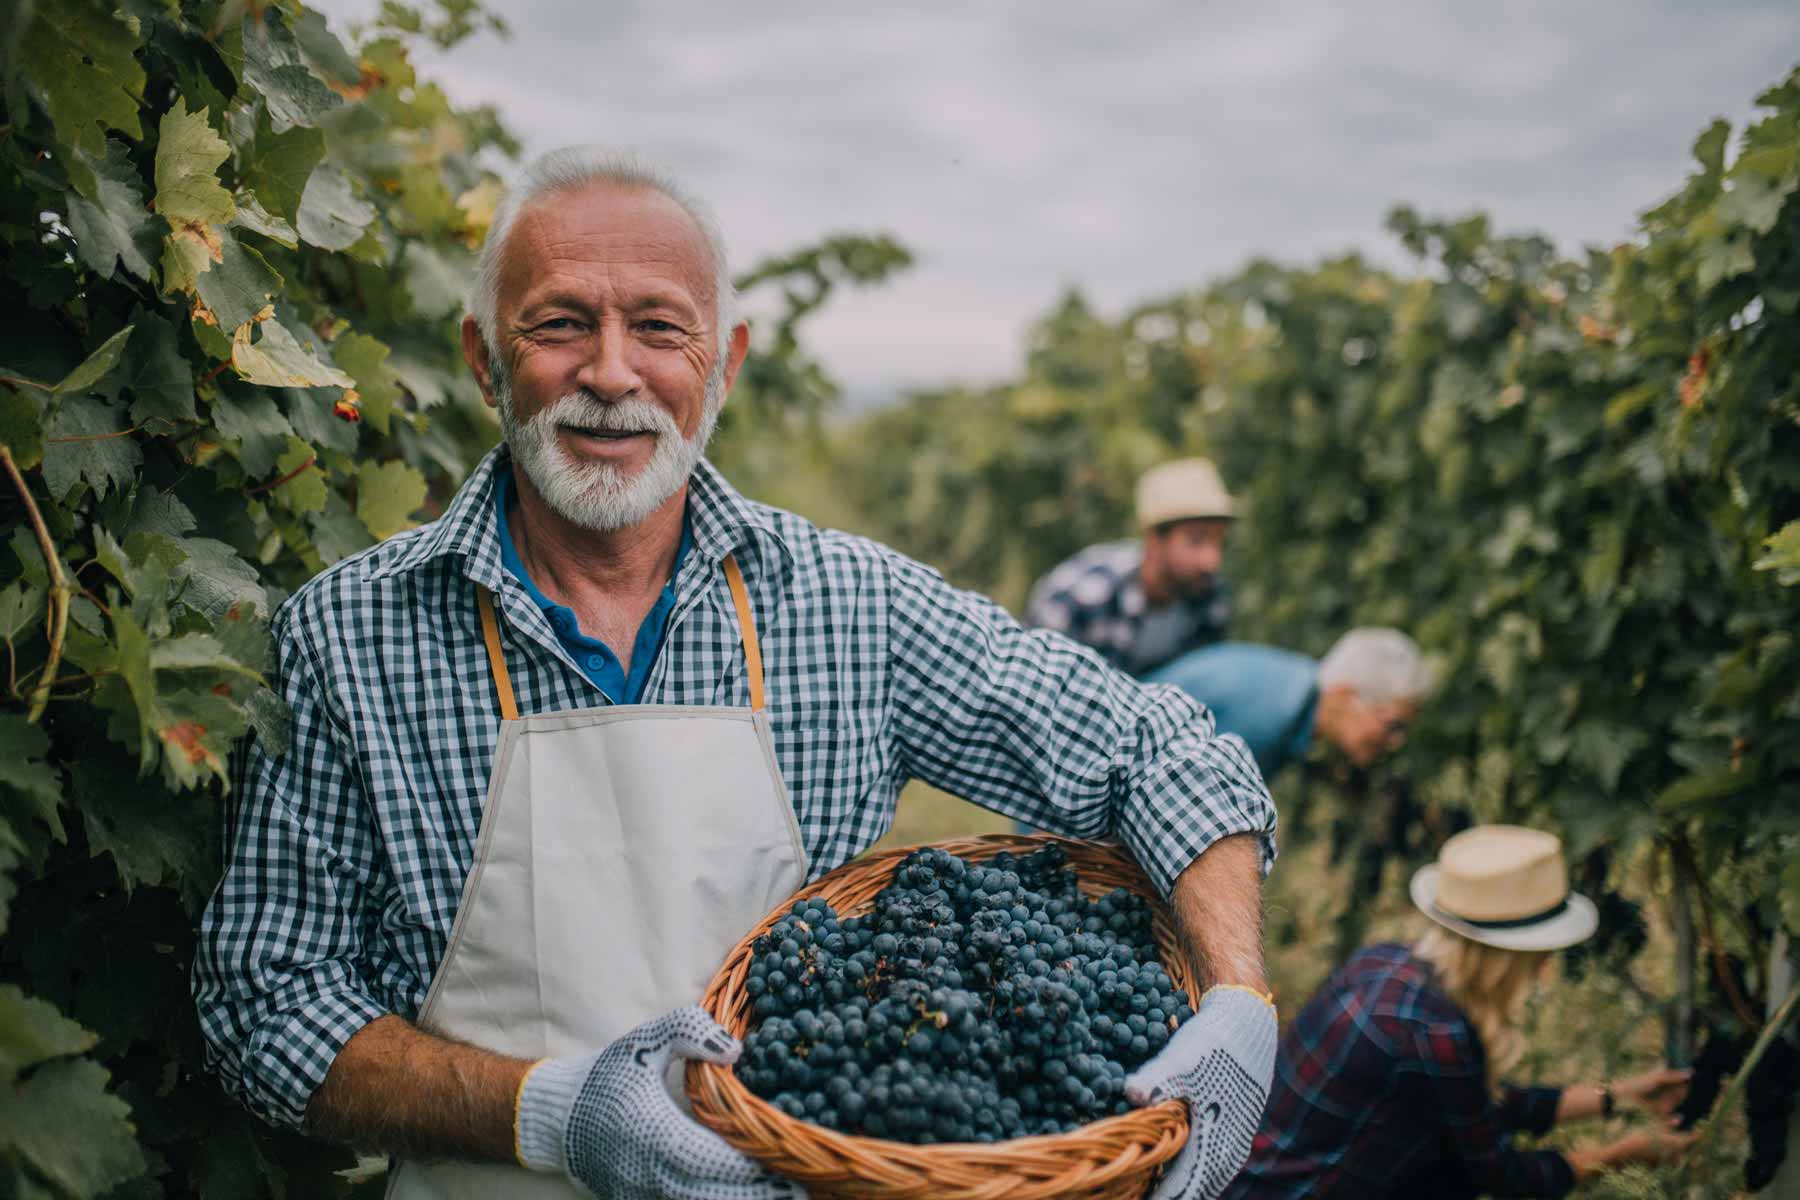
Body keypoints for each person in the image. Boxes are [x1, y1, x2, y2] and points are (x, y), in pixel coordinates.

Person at [191, 149, 1281, 1200]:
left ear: (726, 363)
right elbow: (265, 1005)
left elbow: (1161, 750)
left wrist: (1238, 999)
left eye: (660, 328)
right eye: (561, 323)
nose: (612, 373)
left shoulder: (855, 606)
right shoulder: (349, 636)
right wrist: (551, 1115)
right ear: (484, 358)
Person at [1225, 825, 1695, 1198]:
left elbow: (1471, 1102)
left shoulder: (1386, 962)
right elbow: (1500, 1174)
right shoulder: (1434, 1033)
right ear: (1511, 958)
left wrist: (1617, 1096)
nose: (1548, 964)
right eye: (1540, 952)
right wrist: (1625, 1153)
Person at [1026, 458, 1235, 677]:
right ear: (1154, 540)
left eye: (1218, 542)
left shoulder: (1208, 595)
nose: (1211, 560)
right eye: (1196, 541)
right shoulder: (1080, 598)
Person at [1141, 628, 1433, 781]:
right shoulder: (1269, 716)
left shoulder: (1293, 692)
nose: (1396, 741)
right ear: (1344, 694)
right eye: (1393, 724)